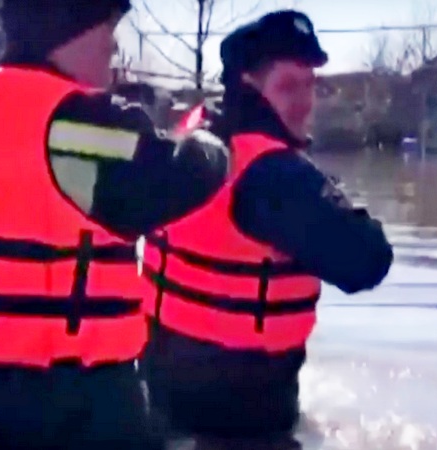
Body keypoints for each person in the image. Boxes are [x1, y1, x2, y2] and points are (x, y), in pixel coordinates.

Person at [0, 1, 228, 449]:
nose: (113, 43)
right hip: (78, 415)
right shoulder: (85, 122)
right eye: (107, 24)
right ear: (73, 28)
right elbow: (189, 176)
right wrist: (208, 135)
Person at [139, 9, 394, 443]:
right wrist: (327, 191)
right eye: (288, 86)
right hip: (247, 423)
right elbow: (368, 261)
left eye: (310, 84)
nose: (305, 101)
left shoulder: (190, 134)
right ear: (248, 86)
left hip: (160, 404)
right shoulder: (274, 174)